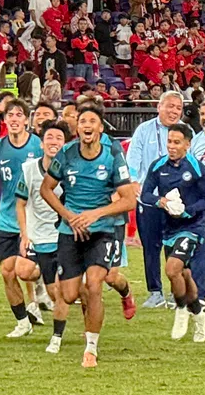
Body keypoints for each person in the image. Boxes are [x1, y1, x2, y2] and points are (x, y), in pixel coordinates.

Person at [40, 100, 137, 368]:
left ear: (100, 127)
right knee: (69, 294)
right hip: (71, 229)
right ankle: (93, 316)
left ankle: (90, 348)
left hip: (103, 229)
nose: (86, 126)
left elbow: (129, 200)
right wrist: (69, 216)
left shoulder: (112, 152)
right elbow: (46, 189)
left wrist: (95, 214)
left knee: (96, 283)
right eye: (82, 121)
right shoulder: (67, 153)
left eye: (92, 121)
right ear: (77, 127)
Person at [139, 123, 205, 343]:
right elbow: (145, 194)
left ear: (187, 144)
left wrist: (188, 211)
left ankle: (181, 311)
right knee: (185, 275)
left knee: (172, 270)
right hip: (169, 227)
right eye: (169, 141)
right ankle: (200, 316)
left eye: (177, 142)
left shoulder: (197, 169)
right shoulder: (158, 166)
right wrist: (160, 201)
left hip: (192, 227)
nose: (171, 146)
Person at [0, 97, 44, 337]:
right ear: (5, 121)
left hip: (34, 220)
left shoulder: (39, 146)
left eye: (18, 115)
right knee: (7, 272)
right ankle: (23, 322)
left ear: (26, 120)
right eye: (10, 116)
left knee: (25, 271)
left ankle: (44, 278)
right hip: (6, 219)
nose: (14, 119)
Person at [16, 121, 71, 355]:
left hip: (66, 236)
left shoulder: (72, 169)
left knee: (69, 290)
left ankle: (58, 336)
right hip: (41, 237)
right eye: (49, 137)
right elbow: (20, 203)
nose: (54, 142)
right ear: (41, 143)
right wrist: (24, 235)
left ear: (65, 143)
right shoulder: (29, 169)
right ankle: (42, 294)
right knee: (44, 285)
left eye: (59, 138)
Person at [126, 90, 185, 308]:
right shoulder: (144, 130)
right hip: (149, 198)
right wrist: (133, 180)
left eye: (178, 108)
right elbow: (133, 157)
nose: (174, 111)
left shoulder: (186, 132)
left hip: (177, 199)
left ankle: (175, 292)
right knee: (151, 247)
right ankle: (155, 292)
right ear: (158, 107)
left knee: (175, 246)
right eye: (170, 106)